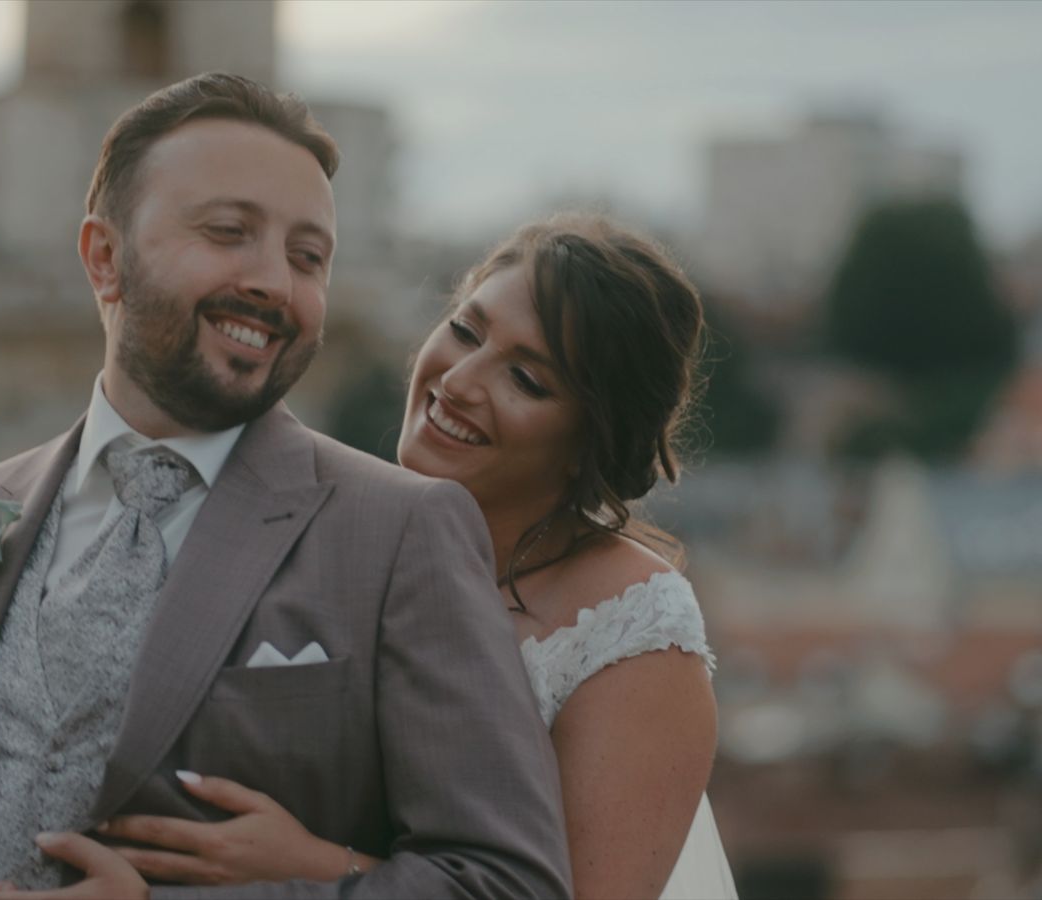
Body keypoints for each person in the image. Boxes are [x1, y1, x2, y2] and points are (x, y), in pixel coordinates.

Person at [0, 73, 572, 900]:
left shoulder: (405, 531)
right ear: (104, 258)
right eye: (229, 233)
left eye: (308, 257)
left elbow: (508, 885)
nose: (274, 281)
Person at [94, 214, 738, 899]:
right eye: (465, 331)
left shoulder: (631, 626)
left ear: (592, 436)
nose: (459, 380)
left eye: (526, 378)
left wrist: (310, 862)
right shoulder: (334, 529)